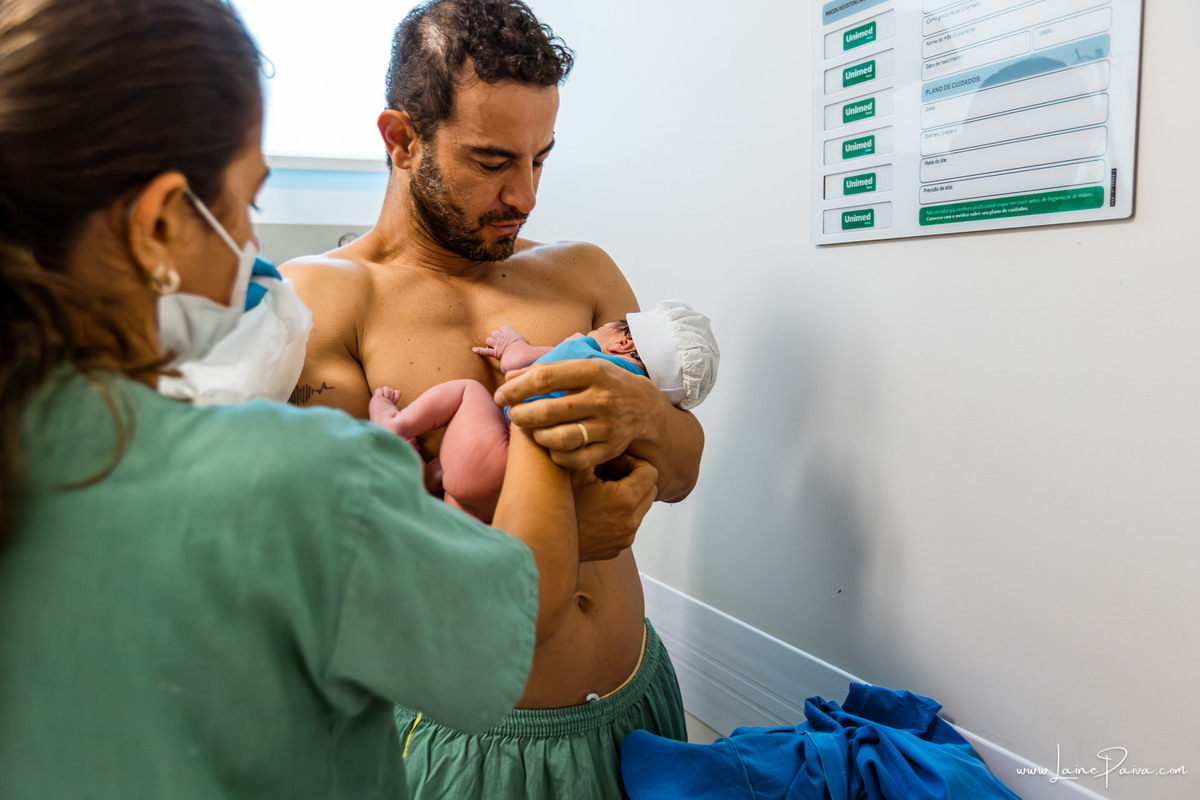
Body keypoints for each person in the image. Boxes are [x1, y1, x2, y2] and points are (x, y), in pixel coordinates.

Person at [0, 1, 641, 798]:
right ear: (162, 222)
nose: (253, 250)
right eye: (247, 204)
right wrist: (547, 398)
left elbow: (672, 455)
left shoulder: (37, 451)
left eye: (540, 159)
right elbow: (505, 618)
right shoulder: (309, 463)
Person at [281, 1, 705, 797]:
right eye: (491, 161)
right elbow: (355, 567)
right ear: (401, 140)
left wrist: (643, 415)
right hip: (466, 742)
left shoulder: (583, 273)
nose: (526, 195)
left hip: (639, 705)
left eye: (541, 158)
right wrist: (575, 527)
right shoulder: (322, 305)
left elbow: (682, 470)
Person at [368, 301, 720, 523]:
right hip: (536, 496)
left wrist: (513, 344)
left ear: (623, 342)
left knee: (469, 392)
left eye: (608, 326)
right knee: (461, 509)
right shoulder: (636, 398)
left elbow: (517, 363)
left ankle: (396, 424)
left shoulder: (589, 353)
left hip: (500, 455)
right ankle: (430, 476)